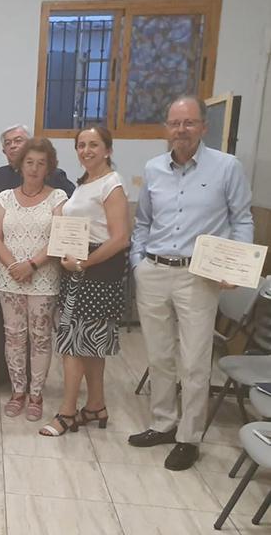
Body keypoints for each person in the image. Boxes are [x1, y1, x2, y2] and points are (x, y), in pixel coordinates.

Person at [129, 95, 253, 471]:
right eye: (174, 123)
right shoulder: (153, 168)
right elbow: (143, 223)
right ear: (166, 128)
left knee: (195, 362)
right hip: (153, 270)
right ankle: (163, 423)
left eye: (188, 123)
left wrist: (236, 267)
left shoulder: (227, 167)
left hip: (198, 276)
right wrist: (138, 264)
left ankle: (189, 437)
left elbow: (242, 219)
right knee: (159, 356)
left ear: (203, 126)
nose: (180, 130)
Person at [39, 126, 129, 437]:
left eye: (93, 144)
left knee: (72, 345)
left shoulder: (111, 185)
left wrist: (84, 263)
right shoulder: (86, 183)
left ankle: (67, 413)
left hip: (96, 271)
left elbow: (120, 238)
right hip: (77, 267)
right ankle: (95, 406)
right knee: (90, 345)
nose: (86, 150)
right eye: (81, 145)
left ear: (108, 150)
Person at [0, 124, 75, 387]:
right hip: (8, 274)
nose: (34, 168)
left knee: (40, 336)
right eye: (29, 162)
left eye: (40, 163)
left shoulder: (58, 190)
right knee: (10, 332)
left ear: (48, 167)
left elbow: (63, 231)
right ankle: (13, 384)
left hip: (43, 274)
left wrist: (32, 265)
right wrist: (14, 265)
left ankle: (35, 391)